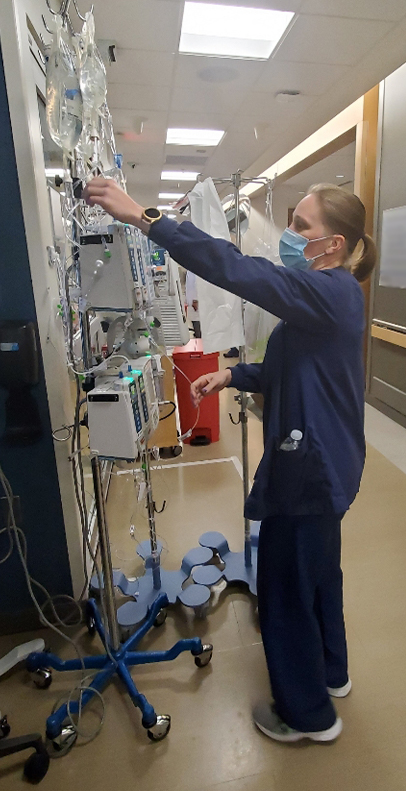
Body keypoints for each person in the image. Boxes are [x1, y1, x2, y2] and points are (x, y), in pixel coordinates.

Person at [83, 177, 377, 744]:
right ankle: (332, 673)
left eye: (301, 227)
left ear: (333, 244)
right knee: (318, 573)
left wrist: (147, 221)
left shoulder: (331, 291)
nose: (290, 237)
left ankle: (308, 716)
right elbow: (292, 368)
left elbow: (239, 270)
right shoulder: (327, 297)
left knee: (287, 586)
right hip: (327, 463)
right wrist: (232, 375)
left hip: (311, 467)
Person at [184, 271, 201, 339]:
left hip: (196, 301)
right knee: (195, 321)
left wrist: (195, 299)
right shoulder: (190, 270)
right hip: (192, 300)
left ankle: (199, 338)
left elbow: (196, 284)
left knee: (197, 323)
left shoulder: (195, 269)